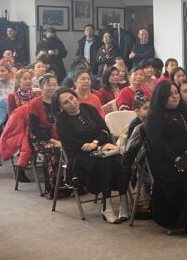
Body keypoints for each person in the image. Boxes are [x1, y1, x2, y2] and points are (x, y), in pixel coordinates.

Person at [142, 80, 187, 237]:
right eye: (170, 95)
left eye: (176, 93)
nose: (175, 97)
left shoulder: (186, 111)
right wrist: (176, 159)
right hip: (168, 161)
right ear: (162, 97)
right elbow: (157, 144)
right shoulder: (155, 116)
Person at [55, 88, 130, 223]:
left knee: (120, 160)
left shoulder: (88, 108)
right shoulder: (61, 120)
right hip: (80, 155)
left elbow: (104, 130)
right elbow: (69, 144)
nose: (71, 103)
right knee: (105, 162)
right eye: (66, 103)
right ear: (61, 107)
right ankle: (107, 208)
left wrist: (96, 143)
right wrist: (91, 146)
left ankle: (124, 202)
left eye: (72, 98)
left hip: (100, 148)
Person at [28, 74, 63, 197]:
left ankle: (74, 185)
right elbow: (34, 130)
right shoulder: (35, 104)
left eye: (55, 84)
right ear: (41, 87)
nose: (52, 87)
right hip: (40, 138)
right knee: (54, 150)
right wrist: (53, 140)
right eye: (49, 85)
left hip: (59, 137)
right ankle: (53, 189)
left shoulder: (60, 101)